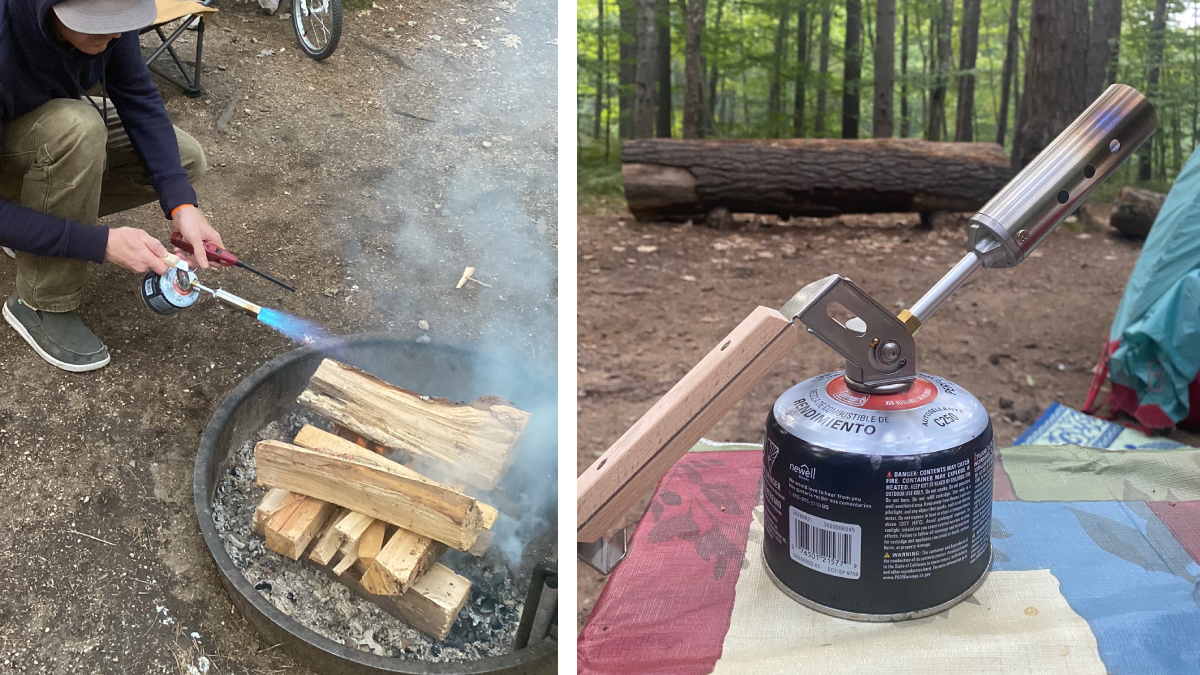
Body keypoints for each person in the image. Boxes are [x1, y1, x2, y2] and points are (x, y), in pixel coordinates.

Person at [0, 0, 224, 372]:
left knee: (184, 158)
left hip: (39, 126)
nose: (117, 33)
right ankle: (40, 302)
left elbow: (138, 97)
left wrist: (182, 205)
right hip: (29, 140)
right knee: (79, 127)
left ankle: (33, 222)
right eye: (99, 23)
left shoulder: (112, 26)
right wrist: (97, 243)